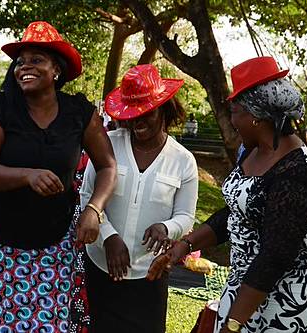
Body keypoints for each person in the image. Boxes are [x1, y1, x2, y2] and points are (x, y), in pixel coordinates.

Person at [148, 56, 307, 333]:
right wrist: (185, 245)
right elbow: (236, 211)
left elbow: (275, 256)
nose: (232, 120)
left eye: (235, 111)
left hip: (296, 289)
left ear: (256, 116)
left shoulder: (297, 174)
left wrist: (234, 324)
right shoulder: (253, 150)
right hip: (252, 280)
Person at [0, 21, 117, 332]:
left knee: (47, 323)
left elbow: (108, 166)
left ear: (56, 69)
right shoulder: (2, 106)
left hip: (54, 238)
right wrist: (26, 176)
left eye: (36, 60)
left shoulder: (79, 113)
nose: (24, 68)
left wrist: (94, 210)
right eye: (20, 62)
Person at [81, 64, 199, 332]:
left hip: (150, 272)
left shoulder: (183, 161)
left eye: (146, 113)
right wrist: (108, 236)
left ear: (164, 109)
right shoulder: (108, 144)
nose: (138, 121)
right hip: (101, 266)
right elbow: (87, 194)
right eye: (132, 114)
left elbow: (185, 215)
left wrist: (166, 227)